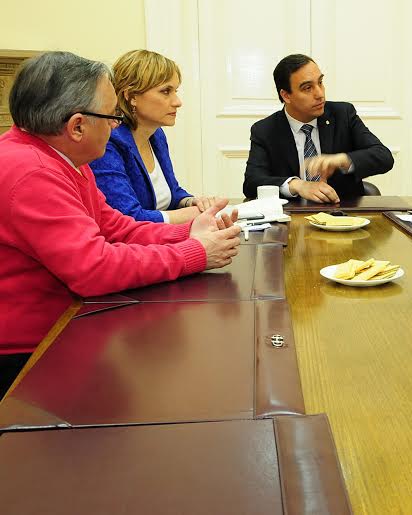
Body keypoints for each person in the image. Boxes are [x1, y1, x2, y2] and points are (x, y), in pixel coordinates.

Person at [0, 52, 242, 396]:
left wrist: (188, 233)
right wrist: (195, 253)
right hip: (29, 355)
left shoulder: (64, 157)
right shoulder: (33, 173)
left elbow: (117, 228)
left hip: (67, 325)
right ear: (77, 126)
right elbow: (94, 268)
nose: (117, 125)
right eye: (112, 115)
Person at [90, 50, 223, 223]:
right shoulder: (109, 141)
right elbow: (128, 217)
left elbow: (172, 192)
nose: (177, 102)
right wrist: (195, 214)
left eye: (175, 91)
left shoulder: (156, 134)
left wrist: (192, 202)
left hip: (161, 236)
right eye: (166, 91)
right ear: (131, 96)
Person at [243, 54, 393, 203]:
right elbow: (252, 182)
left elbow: (384, 157)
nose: (320, 94)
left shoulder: (343, 115)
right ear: (286, 95)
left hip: (343, 212)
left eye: (320, 82)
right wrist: (297, 185)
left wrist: (343, 159)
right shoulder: (265, 130)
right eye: (308, 88)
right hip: (291, 215)